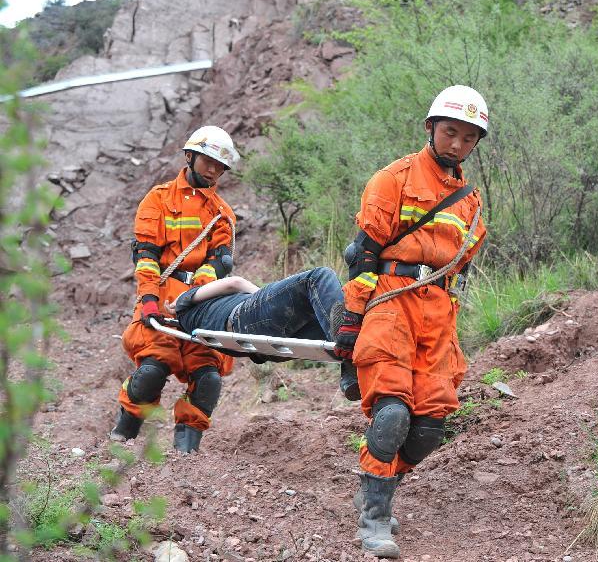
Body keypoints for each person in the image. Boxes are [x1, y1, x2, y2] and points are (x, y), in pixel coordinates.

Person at [333, 85, 489, 557]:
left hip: (438, 313)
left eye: (467, 137)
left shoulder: (470, 204)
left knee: (427, 430)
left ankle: (375, 483)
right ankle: (374, 519)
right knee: (392, 414)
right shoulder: (393, 179)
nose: (457, 144)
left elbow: (459, 265)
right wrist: (351, 322)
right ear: (430, 129)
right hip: (389, 300)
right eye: (449, 132)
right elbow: (361, 258)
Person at [110, 126, 242, 453]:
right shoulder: (158, 198)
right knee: (151, 372)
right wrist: (150, 299)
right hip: (162, 294)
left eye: (220, 165)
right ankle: (121, 438)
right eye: (208, 160)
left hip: (203, 299)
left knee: (208, 377)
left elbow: (221, 262)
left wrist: (197, 291)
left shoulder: (222, 213)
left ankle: (186, 456)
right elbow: (146, 255)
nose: (213, 169)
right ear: (190, 156)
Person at [166, 268, 360, 399]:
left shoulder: (197, 321)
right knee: (319, 277)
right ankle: (351, 370)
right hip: (246, 319)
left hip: (263, 345)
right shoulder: (185, 299)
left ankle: (352, 372)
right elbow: (234, 282)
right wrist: (266, 295)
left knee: (337, 321)